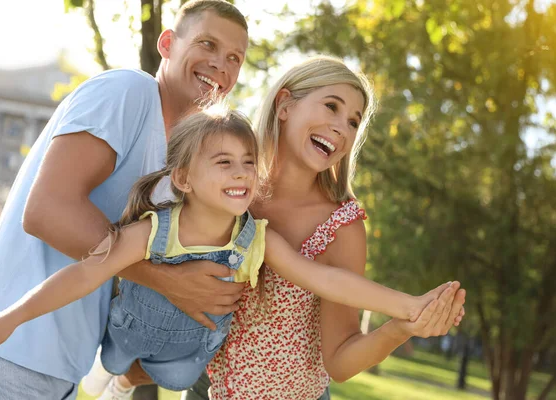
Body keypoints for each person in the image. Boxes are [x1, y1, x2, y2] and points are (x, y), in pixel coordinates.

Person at [0, 105, 454, 399]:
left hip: (192, 366)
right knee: (127, 312)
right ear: (184, 178)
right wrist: (11, 317)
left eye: (246, 163)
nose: (240, 173)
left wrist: (406, 308)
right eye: (224, 162)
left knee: (184, 363)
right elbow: (82, 276)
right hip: (129, 339)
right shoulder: (156, 229)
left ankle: (134, 377)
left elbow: (326, 281)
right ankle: (123, 372)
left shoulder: (256, 235)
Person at [0, 1, 250, 399]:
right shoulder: (127, 91)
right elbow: (48, 211)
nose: (221, 64)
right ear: (167, 44)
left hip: (58, 367)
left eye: (234, 57)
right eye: (207, 44)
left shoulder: (179, 164)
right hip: (9, 350)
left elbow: (118, 270)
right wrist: (167, 281)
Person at [180, 56, 467, 400]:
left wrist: (403, 326)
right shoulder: (233, 189)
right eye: (331, 106)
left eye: (352, 122)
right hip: (207, 388)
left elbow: (341, 363)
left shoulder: (341, 226)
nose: (341, 128)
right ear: (284, 104)